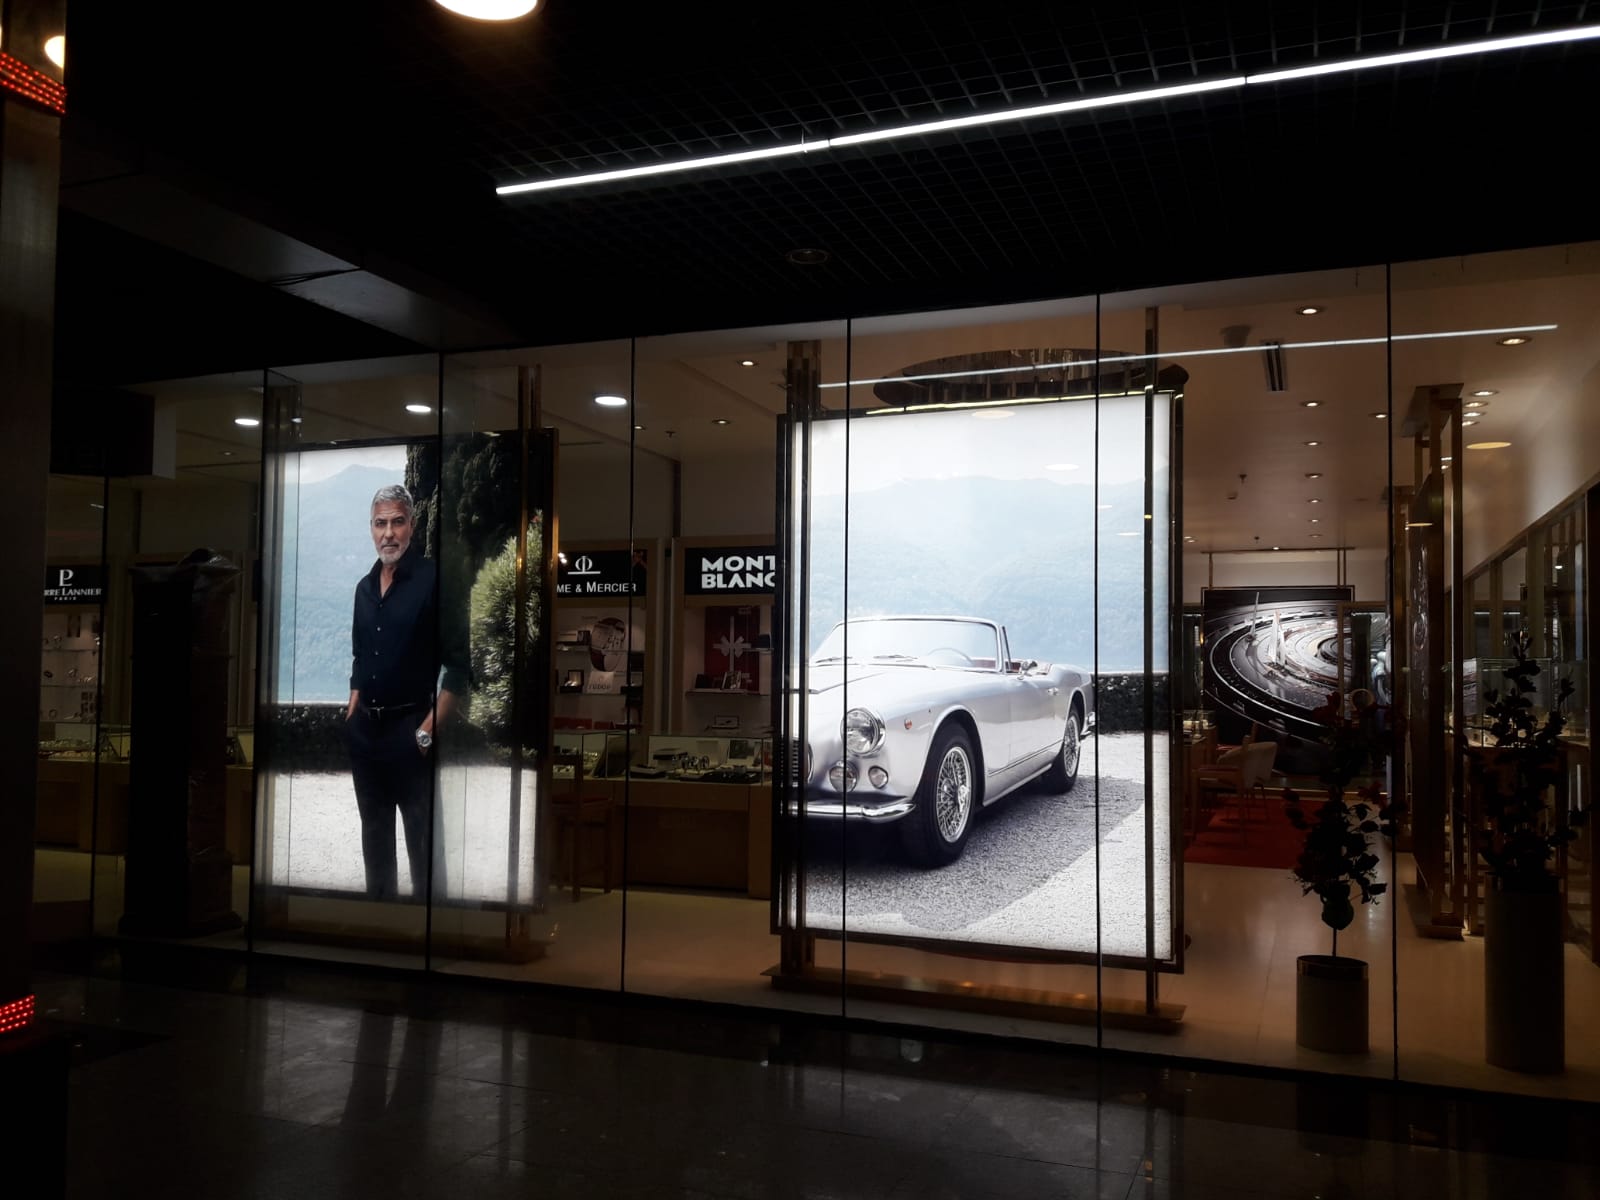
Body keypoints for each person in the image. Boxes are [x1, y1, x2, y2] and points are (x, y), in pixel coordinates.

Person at [345, 484, 469, 901]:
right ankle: (383, 932)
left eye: (397, 522)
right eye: (380, 524)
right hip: (367, 738)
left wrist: (427, 730)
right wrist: (353, 707)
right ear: (371, 529)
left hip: (412, 732)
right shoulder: (364, 589)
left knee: (424, 850)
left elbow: (459, 668)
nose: (389, 533)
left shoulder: (434, 580)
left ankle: (429, 938)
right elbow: (360, 657)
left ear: (411, 526)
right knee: (375, 849)